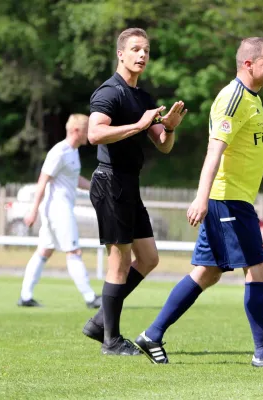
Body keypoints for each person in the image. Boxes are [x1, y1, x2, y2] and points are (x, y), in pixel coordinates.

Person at [133, 37, 263, 368]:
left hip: (232, 200)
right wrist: (201, 197)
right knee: (258, 268)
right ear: (248, 64)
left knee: (207, 273)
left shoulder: (251, 99)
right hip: (228, 201)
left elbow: (260, 137)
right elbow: (215, 149)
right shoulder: (233, 98)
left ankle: (152, 335)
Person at [81, 27, 187, 356]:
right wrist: (138, 127)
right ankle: (110, 341)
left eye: (147, 50)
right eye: (136, 49)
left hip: (129, 183)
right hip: (110, 182)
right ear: (121, 54)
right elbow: (95, 134)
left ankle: (100, 322)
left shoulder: (143, 97)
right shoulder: (108, 92)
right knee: (119, 261)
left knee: (149, 258)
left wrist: (168, 127)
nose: (142, 55)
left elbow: (163, 144)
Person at [17, 114, 102, 309]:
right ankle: (90, 298)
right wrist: (33, 211)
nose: (89, 134)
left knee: (44, 251)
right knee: (74, 251)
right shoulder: (60, 152)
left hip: (60, 209)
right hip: (58, 210)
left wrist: (94, 188)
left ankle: (25, 296)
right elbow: (43, 181)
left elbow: (74, 179)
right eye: (87, 130)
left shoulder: (73, 152)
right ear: (76, 131)